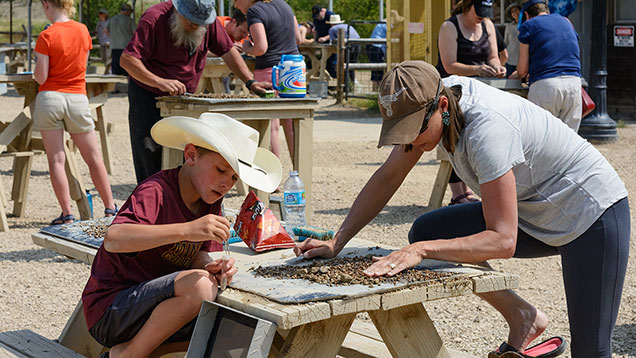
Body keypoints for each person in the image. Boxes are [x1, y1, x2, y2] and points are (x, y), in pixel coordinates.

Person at [295, 61, 630, 358]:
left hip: (592, 215)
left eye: (414, 131)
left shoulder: (487, 130)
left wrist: (421, 250)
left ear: (441, 106)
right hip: (536, 211)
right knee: (429, 231)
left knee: (591, 350)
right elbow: (388, 176)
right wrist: (337, 241)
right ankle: (522, 317)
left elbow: (503, 241)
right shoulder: (438, 105)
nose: (410, 142)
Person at [82, 113, 282, 358]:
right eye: (220, 170)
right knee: (201, 287)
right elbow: (114, 238)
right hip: (111, 310)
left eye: (233, 178)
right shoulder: (156, 191)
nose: (226, 184)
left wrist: (212, 265)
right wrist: (189, 229)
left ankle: (131, 352)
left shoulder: (209, 200)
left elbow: (196, 256)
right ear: (191, 155)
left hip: (157, 307)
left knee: (240, 330)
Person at [120, 0, 271, 184]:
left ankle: (185, 208)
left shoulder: (208, 22)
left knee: (190, 157)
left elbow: (228, 51)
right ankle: (152, 202)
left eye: (200, 23)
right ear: (178, 10)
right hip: (148, 95)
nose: (195, 26)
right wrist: (160, 82)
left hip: (185, 100)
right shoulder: (154, 18)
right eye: (191, 21)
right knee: (150, 155)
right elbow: (127, 60)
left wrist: (250, 82)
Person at [33, 0, 117, 225]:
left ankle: (67, 214)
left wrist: (35, 71)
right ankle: (110, 207)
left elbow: (41, 76)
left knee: (57, 160)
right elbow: (82, 67)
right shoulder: (82, 30)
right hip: (77, 98)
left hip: (50, 98)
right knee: (93, 158)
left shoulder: (46, 36)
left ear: (47, 4)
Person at [437, 0, 506, 205]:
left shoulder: (487, 25)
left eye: (486, 12)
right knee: (450, 135)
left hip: (480, 93)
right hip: (449, 94)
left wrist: (496, 67)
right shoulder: (449, 27)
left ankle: (467, 191)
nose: (481, 17)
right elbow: (449, 66)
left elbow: (494, 56)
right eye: (479, 11)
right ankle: (457, 193)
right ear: (467, 5)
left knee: (475, 138)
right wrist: (477, 69)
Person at [235, 0, 301, 163]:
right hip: (293, 70)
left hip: (268, 71)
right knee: (293, 126)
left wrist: (246, 48)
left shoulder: (255, 11)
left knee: (270, 127)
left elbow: (261, 48)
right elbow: (298, 39)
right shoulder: (285, 5)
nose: (235, 4)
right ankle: (299, 172)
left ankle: (272, 176)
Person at [511, 0, 582, 132]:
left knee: (541, 138)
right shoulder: (566, 22)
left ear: (526, 14)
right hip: (574, 84)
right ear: (547, 10)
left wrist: (517, 73)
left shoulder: (528, 25)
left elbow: (522, 70)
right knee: (569, 143)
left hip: (546, 84)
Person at [326, 14, 360, 82]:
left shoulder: (332, 29)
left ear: (331, 24)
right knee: (352, 64)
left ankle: (346, 84)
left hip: (348, 45)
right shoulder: (348, 26)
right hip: (358, 43)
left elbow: (333, 42)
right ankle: (353, 81)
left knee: (344, 64)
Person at [106, 3, 136, 76]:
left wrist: (112, 37)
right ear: (127, 11)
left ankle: (115, 86)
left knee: (115, 69)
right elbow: (135, 33)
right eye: (130, 12)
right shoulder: (130, 20)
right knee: (126, 69)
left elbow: (105, 30)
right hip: (126, 46)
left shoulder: (112, 19)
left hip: (114, 46)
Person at [366, 21, 386, 90]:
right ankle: (377, 90)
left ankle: (376, 89)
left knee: (376, 69)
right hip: (377, 47)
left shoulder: (381, 24)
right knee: (378, 69)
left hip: (372, 46)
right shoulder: (388, 25)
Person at [503, 2, 521, 77]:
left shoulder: (527, 25)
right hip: (511, 59)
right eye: (512, 12)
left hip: (523, 59)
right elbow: (505, 42)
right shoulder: (509, 26)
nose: (515, 13)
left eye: (516, 10)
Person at [96, 9, 111, 74]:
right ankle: (107, 70)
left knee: (108, 56)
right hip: (101, 42)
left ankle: (108, 71)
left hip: (108, 42)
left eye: (101, 13)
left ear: (105, 15)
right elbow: (96, 31)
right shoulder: (99, 23)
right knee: (103, 57)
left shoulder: (109, 22)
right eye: (99, 13)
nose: (100, 15)